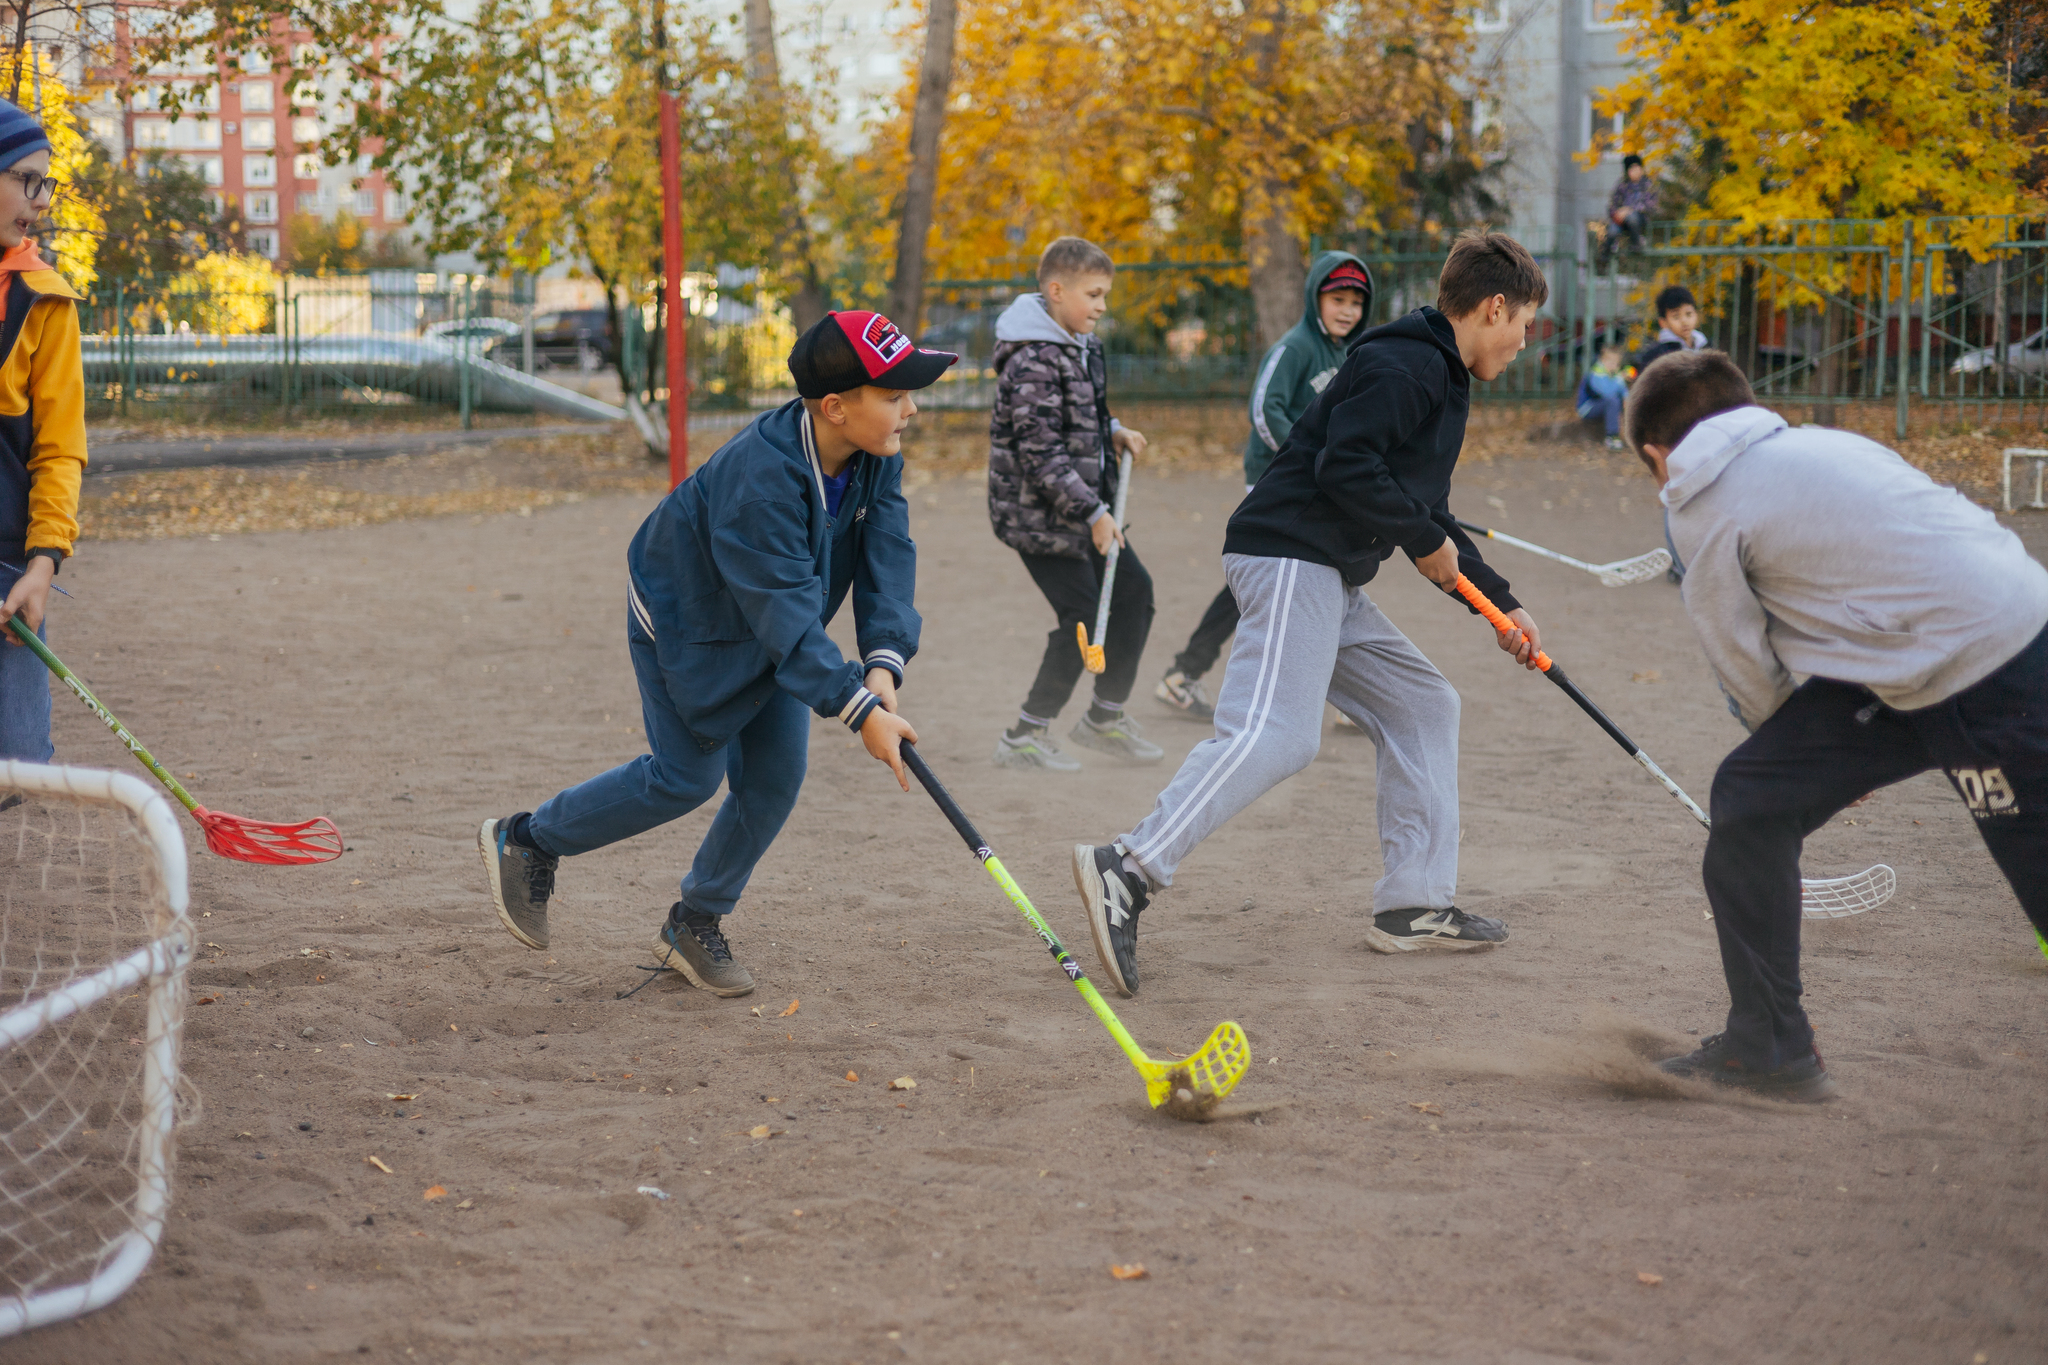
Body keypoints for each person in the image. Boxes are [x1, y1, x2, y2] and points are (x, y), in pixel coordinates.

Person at [1069, 230, 1549, 996]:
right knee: (1277, 736)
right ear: (1496, 307)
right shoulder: (1408, 362)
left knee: (1426, 704)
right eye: (1525, 325)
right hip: (1290, 554)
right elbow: (1345, 464)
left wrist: (1501, 605)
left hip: (1330, 573)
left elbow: (1427, 512)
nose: (1525, 343)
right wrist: (1423, 538)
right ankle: (1125, 866)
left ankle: (1414, 903)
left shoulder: (1440, 372)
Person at [478, 311, 948, 998]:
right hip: (687, 617)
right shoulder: (761, 479)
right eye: (895, 394)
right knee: (685, 777)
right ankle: (528, 838)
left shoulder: (876, 457)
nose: (912, 408)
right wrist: (859, 710)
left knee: (774, 776)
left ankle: (694, 921)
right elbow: (785, 617)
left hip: (771, 618)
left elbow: (888, 554)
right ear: (837, 408)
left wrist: (882, 664)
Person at [1626, 349, 2048, 1100]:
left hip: (1987, 664)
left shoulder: (1694, 502)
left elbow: (1740, 656)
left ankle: (1770, 1044)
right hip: (1948, 635)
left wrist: (1788, 743)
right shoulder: (1820, 440)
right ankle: (1769, 1048)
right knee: (1755, 797)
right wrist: (1806, 761)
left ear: (1658, 454)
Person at [1155, 252, 1373, 723]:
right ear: (1316, 297)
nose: (1347, 310)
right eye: (1338, 298)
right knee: (1281, 581)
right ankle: (1184, 674)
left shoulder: (1343, 353)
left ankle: (1183, 673)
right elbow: (1264, 408)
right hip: (1277, 480)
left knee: (1307, 578)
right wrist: (1307, 462)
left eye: (1356, 301)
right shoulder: (1296, 347)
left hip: (1315, 482)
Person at [987, 236, 1159, 770]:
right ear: (1056, 291)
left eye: (1105, 294)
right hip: (1039, 516)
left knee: (1134, 593)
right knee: (1083, 617)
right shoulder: (1032, 358)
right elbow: (1040, 452)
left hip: (1081, 510)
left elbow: (1075, 418)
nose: (1103, 306)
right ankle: (1024, 736)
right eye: (1094, 294)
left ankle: (1104, 719)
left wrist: (1112, 430)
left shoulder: (1076, 344)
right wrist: (1094, 512)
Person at [0, 99, 85, 764]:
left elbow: (59, 450)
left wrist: (41, 563)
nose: (40, 200)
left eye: (44, 184)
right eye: (26, 180)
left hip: (9, 567)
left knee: (19, 759)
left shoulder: (46, 301)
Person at [1631, 285, 1708, 371]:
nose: (1684, 321)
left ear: (1696, 314)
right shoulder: (1656, 356)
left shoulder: (1707, 348)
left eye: (1688, 314)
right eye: (1676, 317)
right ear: (1663, 322)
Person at [1599, 154, 1658, 264]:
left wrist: (1629, 210)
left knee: (1632, 218)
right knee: (1612, 230)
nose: (1635, 171)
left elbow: (1651, 206)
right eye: (1632, 168)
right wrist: (1617, 213)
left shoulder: (1648, 185)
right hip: (1622, 221)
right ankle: (1605, 255)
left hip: (1640, 219)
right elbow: (1612, 204)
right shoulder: (1622, 185)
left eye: (1637, 168)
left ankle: (1636, 244)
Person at [1576, 340, 1630, 452]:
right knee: (1613, 401)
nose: (1614, 366)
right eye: (1610, 362)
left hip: (1602, 405)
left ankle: (1625, 435)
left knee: (1617, 402)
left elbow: (1623, 391)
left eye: (1616, 363)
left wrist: (1626, 398)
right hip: (1587, 408)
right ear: (1602, 360)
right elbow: (1607, 393)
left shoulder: (1613, 373)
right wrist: (1619, 380)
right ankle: (1612, 436)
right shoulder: (1597, 374)